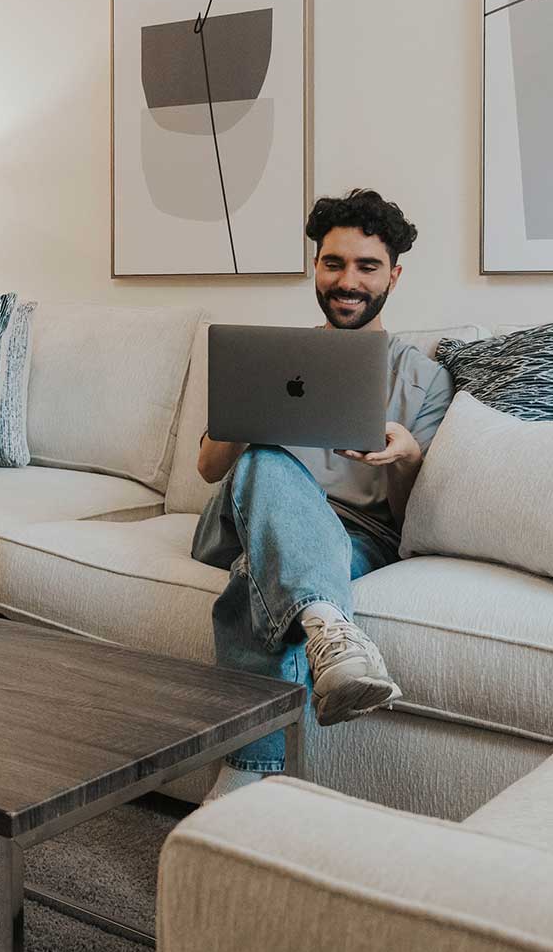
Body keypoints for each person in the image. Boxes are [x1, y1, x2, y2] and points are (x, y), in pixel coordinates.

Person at [194, 188, 452, 801]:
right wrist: (251, 413)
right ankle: (332, 630)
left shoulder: (424, 377)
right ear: (316, 267)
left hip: (358, 536)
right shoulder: (274, 358)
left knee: (252, 579)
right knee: (264, 457)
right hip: (247, 509)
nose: (348, 281)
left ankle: (246, 781)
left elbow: (410, 520)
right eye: (333, 263)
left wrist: (406, 457)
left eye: (366, 266)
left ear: (394, 274)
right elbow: (209, 469)